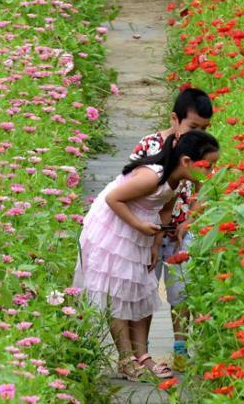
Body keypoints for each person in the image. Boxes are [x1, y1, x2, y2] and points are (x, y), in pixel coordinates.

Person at [73, 131, 220, 381]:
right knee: (117, 289)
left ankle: (142, 355)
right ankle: (126, 357)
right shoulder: (152, 176)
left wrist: (155, 243)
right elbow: (113, 199)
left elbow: (165, 208)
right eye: (208, 165)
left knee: (141, 286)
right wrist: (140, 226)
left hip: (140, 228)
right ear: (186, 161)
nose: (211, 171)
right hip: (114, 228)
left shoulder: (177, 179)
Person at [129, 87, 213, 372]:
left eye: (204, 128)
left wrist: (191, 219)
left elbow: (203, 186)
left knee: (181, 292)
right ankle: (142, 354)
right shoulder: (150, 145)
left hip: (181, 233)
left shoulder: (201, 148)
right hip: (148, 232)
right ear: (174, 119)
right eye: (192, 126)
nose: (197, 133)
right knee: (144, 292)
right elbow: (131, 183)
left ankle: (180, 348)